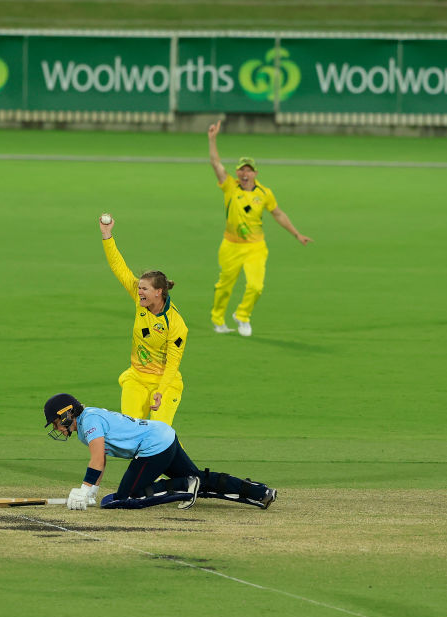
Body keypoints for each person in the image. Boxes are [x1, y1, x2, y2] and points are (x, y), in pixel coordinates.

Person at [42, 393, 277, 511]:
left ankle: (184, 484)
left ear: (66, 414)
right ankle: (260, 492)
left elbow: (96, 459)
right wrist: (92, 491)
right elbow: (101, 458)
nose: (56, 428)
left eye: (55, 422)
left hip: (153, 447)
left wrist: (83, 491)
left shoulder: (89, 421)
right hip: (164, 436)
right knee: (201, 480)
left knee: (123, 499)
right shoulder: (86, 424)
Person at [206, 120, 312, 337]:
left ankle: (242, 316)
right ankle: (218, 319)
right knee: (224, 286)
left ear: (255, 173)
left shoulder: (264, 193)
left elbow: (278, 214)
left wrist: (296, 234)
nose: (245, 173)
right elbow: (215, 163)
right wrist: (212, 138)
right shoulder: (229, 186)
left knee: (256, 286)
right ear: (237, 172)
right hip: (231, 246)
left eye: (249, 170)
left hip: (255, 247)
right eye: (242, 170)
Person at [99, 215, 188, 425]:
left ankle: (181, 459)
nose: (139, 292)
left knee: (160, 434)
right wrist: (107, 236)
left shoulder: (175, 324)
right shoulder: (140, 301)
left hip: (165, 383)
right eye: (139, 287)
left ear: (158, 292)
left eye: (144, 289)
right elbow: (119, 267)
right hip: (137, 378)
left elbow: (173, 364)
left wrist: (160, 391)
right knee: (130, 430)